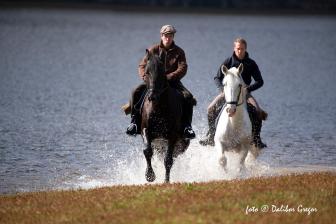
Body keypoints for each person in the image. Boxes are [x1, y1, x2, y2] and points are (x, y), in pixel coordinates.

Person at [126, 25, 196, 139]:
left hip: (172, 82)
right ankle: (134, 123)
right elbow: (142, 65)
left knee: (188, 97)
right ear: (161, 36)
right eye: (166, 36)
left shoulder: (179, 52)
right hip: (153, 82)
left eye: (170, 36)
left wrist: (169, 76)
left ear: (173, 37)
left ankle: (187, 127)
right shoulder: (153, 50)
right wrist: (145, 77)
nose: (168, 38)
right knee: (135, 91)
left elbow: (183, 68)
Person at [199, 37, 267, 148]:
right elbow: (217, 77)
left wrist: (248, 89)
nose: (240, 51)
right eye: (238, 48)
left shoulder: (251, 63)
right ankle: (211, 136)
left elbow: (260, 81)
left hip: (245, 92)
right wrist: (222, 89)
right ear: (234, 48)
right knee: (210, 109)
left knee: (258, 111)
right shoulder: (228, 61)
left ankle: (256, 138)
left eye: (242, 49)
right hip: (228, 92)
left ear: (245, 49)